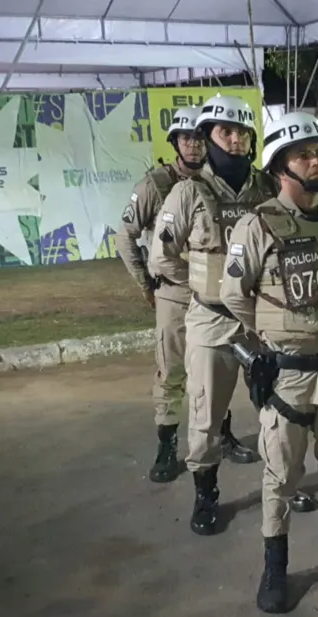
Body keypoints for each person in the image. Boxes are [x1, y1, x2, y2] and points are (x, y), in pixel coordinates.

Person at [221, 110, 318, 614]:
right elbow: (234, 294)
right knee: (281, 474)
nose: (317, 161)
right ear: (279, 168)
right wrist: (276, 334)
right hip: (288, 374)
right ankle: (276, 567)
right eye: (304, 155)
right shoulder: (257, 225)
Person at [149, 93, 313, 534]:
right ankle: (206, 494)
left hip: (262, 319)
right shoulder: (189, 192)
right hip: (210, 319)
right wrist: (206, 282)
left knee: (279, 410)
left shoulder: (266, 188)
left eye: (243, 132)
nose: (236, 140)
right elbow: (160, 257)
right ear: (207, 137)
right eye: (227, 132)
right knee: (205, 416)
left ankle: (284, 482)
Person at [115, 107, 205, 483]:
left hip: (215, 296)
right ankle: (167, 445)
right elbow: (125, 236)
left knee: (216, 371)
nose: (194, 145)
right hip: (174, 292)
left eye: (200, 138)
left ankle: (223, 433)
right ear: (175, 143)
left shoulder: (217, 184)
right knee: (171, 371)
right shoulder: (155, 185)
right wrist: (145, 285)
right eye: (186, 138)